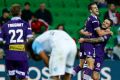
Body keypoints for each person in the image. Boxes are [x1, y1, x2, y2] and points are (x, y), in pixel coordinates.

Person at [74, 3, 112, 80]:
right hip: (91, 49)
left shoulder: (107, 34)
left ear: (109, 27)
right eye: (104, 22)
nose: (104, 23)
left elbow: (97, 40)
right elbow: (82, 30)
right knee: (86, 68)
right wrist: (83, 32)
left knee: (95, 76)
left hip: (99, 56)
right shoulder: (97, 25)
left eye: (107, 23)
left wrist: (84, 39)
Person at [0, 4, 33, 80]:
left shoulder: (5, 25)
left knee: (12, 78)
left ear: (11, 13)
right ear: (20, 12)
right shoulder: (25, 24)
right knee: (23, 78)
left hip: (9, 56)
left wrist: (6, 44)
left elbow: (0, 40)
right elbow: (30, 40)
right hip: (21, 55)